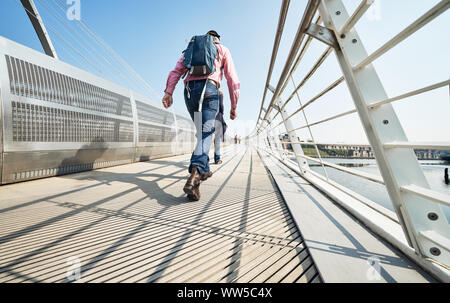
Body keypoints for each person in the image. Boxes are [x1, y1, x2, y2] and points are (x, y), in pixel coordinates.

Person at [162, 30, 240, 201]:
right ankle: (196, 172)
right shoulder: (223, 49)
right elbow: (232, 79)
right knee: (206, 132)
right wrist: (234, 106)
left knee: (201, 132)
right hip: (209, 91)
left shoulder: (192, 48)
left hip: (189, 92)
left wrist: (168, 92)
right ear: (217, 40)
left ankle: (204, 170)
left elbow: (176, 71)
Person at [213, 90, 227, 165]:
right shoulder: (219, 93)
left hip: (205, 116)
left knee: (204, 138)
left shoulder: (204, 90)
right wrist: (222, 113)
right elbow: (221, 105)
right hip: (217, 118)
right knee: (217, 139)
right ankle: (217, 159)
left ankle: (199, 159)